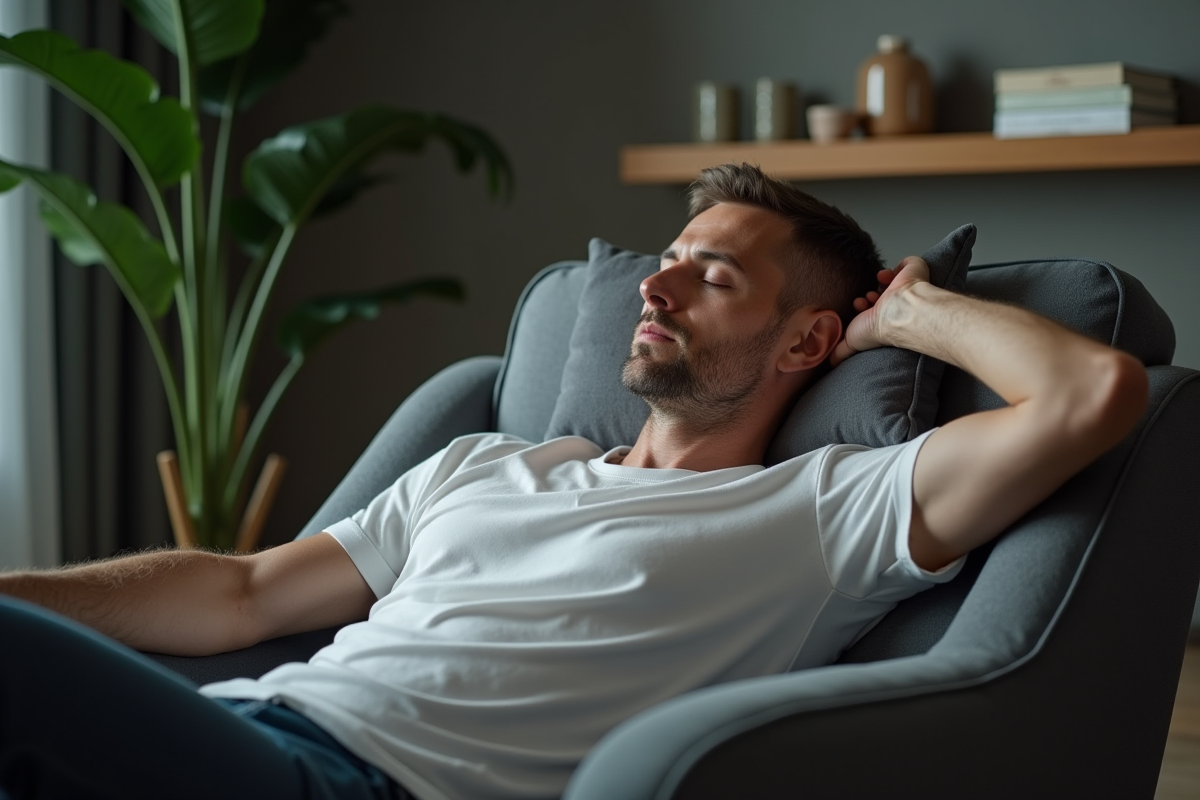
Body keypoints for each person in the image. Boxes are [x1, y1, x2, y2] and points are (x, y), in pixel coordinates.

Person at [0, 164, 1147, 800]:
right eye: (666, 262)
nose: (659, 288)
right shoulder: (489, 462)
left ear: (806, 343)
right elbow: (245, 591)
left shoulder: (824, 509)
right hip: (238, 725)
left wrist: (907, 311)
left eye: (713, 275)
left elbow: (1094, 394)